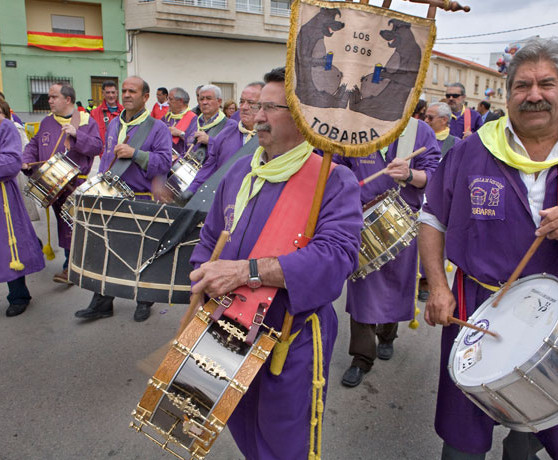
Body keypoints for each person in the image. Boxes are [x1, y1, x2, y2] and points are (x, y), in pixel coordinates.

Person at [189, 66, 362, 459]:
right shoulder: (239, 170)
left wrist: (246, 272)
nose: (258, 116)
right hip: (228, 325)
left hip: (291, 334)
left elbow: (336, 258)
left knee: (284, 440)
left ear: (304, 117)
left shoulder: (332, 181)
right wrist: (201, 274)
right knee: (237, 419)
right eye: (256, 106)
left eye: (271, 108)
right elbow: (211, 236)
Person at [418, 38, 558, 459]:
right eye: (523, 86)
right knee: (462, 437)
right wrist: (438, 286)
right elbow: (431, 218)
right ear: (507, 92)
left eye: (547, 84)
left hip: (553, 316)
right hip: (477, 306)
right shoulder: (471, 150)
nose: (534, 95)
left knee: (539, 424)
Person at [339, 117, 441, 388]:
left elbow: (434, 175)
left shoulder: (419, 130)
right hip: (360, 217)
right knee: (362, 286)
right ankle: (361, 357)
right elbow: (338, 166)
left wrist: (410, 175)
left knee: (397, 284)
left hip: (403, 217)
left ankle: (387, 335)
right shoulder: (355, 127)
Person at [74, 76, 172, 322]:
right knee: (106, 251)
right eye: (124, 90)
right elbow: (107, 158)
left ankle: (144, 300)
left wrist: (136, 154)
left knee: (143, 253)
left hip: (141, 198)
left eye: (133, 91)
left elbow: (164, 163)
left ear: (145, 97)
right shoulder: (115, 123)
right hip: (112, 196)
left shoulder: (157, 127)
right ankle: (102, 302)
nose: (126, 94)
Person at [22, 83, 102, 284]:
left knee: (72, 227)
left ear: (67, 100)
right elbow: (34, 145)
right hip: (51, 184)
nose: (49, 100)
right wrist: (26, 159)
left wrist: (76, 134)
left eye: (53, 97)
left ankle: (71, 267)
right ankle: (73, 264)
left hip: (73, 185)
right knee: (63, 226)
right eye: (49, 97)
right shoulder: (47, 121)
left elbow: (97, 146)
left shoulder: (84, 121)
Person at [0, 100, 45, 317]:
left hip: (3, 198)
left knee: (9, 245)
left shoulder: (7, 127)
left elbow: (11, 163)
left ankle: (18, 295)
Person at [186, 82, 264, 197]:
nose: (243, 107)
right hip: (226, 199)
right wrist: (192, 190)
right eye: (241, 102)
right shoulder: (227, 134)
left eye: (251, 103)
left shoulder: (272, 138)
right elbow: (209, 167)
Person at [183, 84, 230, 163]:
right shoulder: (194, 121)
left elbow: (229, 154)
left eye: (209, 98)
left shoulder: (229, 125)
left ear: (219, 101)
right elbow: (185, 148)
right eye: (201, 99)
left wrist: (210, 141)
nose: (204, 102)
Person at [161, 87, 197, 158]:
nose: (167, 102)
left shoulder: (193, 118)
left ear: (180, 101)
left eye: (170, 99)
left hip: (180, 160)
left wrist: (180, 133)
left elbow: (193, 143)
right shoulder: (166, 117)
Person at [90, 81, 124, 147]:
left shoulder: (125, 111)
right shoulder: (94, 113)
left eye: (113, 92)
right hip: (103, 155)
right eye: (107, 92)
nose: (111, 95)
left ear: (117, 93)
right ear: (103, 93)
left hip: (122, 153)